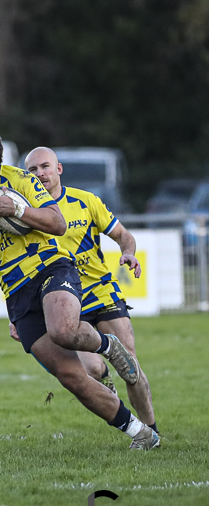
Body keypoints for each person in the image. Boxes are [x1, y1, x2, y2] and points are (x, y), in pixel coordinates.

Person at [0, 121, 158, 450]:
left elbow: (58, 224)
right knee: (72, 377)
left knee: (63, 330)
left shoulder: (21, 180)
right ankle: (143, 434)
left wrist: (18, 208)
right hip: (16, 293)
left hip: (51, 269)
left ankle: (109, 346)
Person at [18, 147, 157, 433]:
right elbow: (19, 268)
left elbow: (123, 235)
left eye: (45, 166)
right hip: (63, 301)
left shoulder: (85, 201)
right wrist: (16, 318)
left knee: (131, 366)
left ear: (59, 169)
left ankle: (151, 430)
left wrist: (128, 252)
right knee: (90, 369)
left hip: (101, 292)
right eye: (32, 170)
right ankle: (105, 380)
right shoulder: (25, 215)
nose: (39, 174)